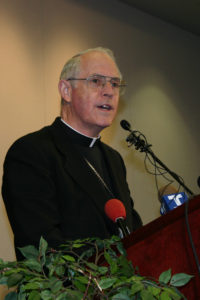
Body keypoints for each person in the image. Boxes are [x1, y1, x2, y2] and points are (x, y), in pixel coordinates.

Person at [2, 47, 142, 260]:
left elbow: (134, 234)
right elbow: (44, 248)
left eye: (114, 83)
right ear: (66, 90)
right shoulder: (32, 152)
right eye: (96, 81)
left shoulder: (114, 159)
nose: (109, 91)